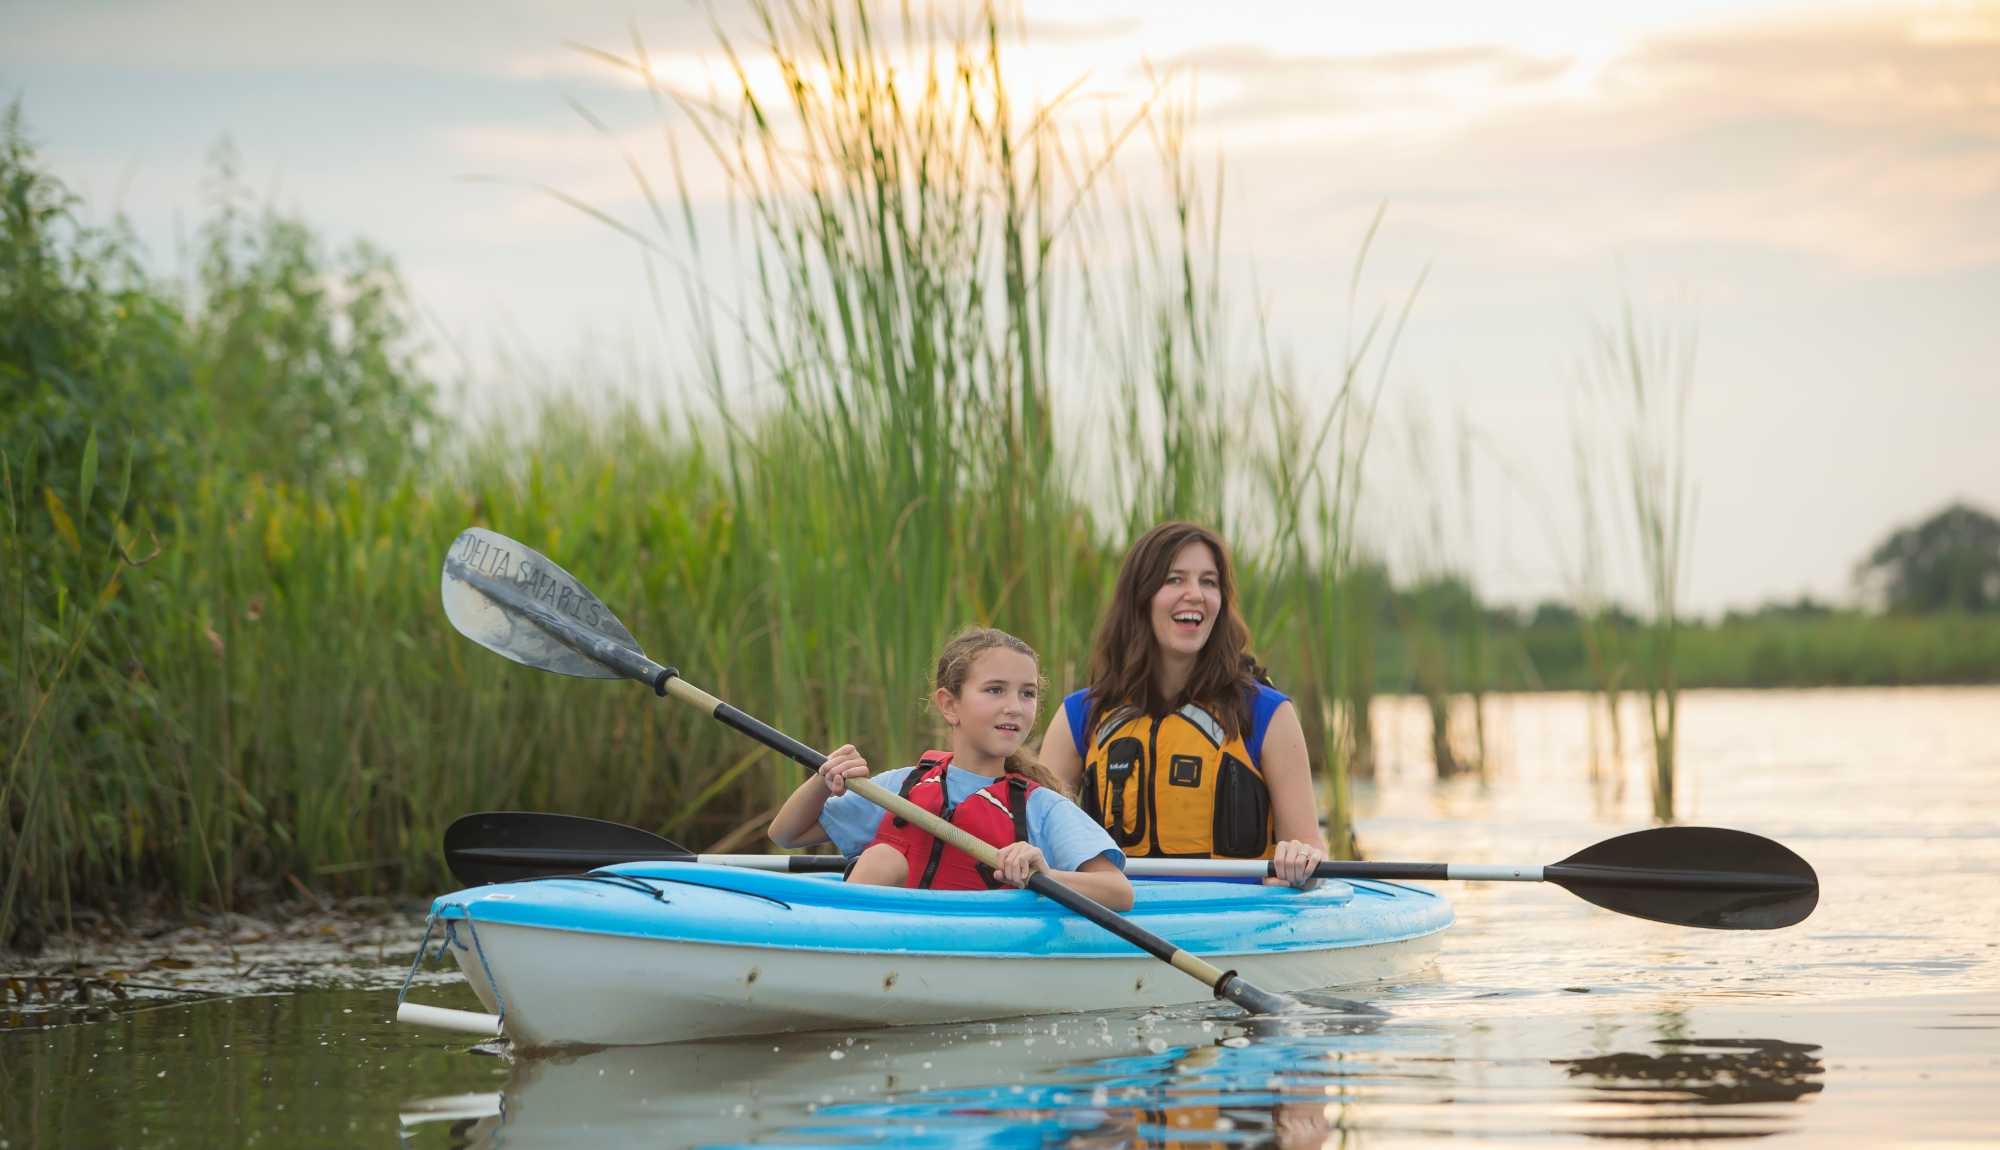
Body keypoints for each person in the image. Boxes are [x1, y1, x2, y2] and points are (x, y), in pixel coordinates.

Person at [1038, 521, 1329, 887]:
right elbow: (1040, 835)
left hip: (1237, 924)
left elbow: (1310, 846)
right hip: (1115, 920)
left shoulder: (1267, 714)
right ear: (1140, 597)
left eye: (1208, 582)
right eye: (1175, 579)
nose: (1195, 594)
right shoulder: (1080, 715)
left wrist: (1302, 861)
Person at [768, 627, 1135, 910]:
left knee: (881, 858)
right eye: (995, 690)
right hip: (888, 942)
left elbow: (1119, 892)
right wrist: (824, 780)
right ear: (949, 705)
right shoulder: (903, 786)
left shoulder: (1041, 807)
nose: (1014, 706)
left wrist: (1047, 874)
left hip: (975, 943)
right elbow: (786, 833)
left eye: (1027, 693)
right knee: (882, 858)